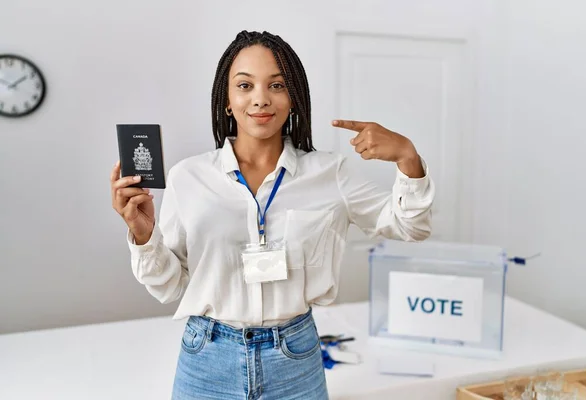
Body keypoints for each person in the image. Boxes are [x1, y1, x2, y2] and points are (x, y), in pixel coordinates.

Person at [110, 30, 435, 400]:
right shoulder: (189, 177)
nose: (260, 99)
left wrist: (408, 158)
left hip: (294, 359)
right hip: (207, 361)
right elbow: (169, 288)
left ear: (293, 97)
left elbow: (412, 227)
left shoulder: (331, 174)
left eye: (276, 85)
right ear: (227, 101)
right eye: (245, 85)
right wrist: (143, 234)